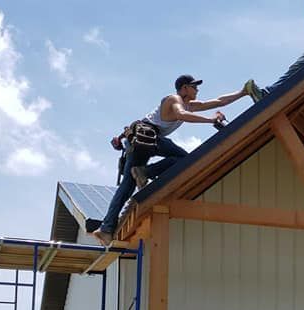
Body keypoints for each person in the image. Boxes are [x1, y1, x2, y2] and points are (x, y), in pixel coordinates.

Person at [89, 74, 253, 244]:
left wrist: (242, 92)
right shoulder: (174, 100)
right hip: (148, 138)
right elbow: (181, 115)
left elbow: (219, 101)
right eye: (194, 86)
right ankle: (145, 172)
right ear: (184, 88)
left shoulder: (189, 104)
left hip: (141, 141)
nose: (197, 89)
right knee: (184, 159)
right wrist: (210, 120)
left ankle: (106, 229)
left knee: (127, 186)